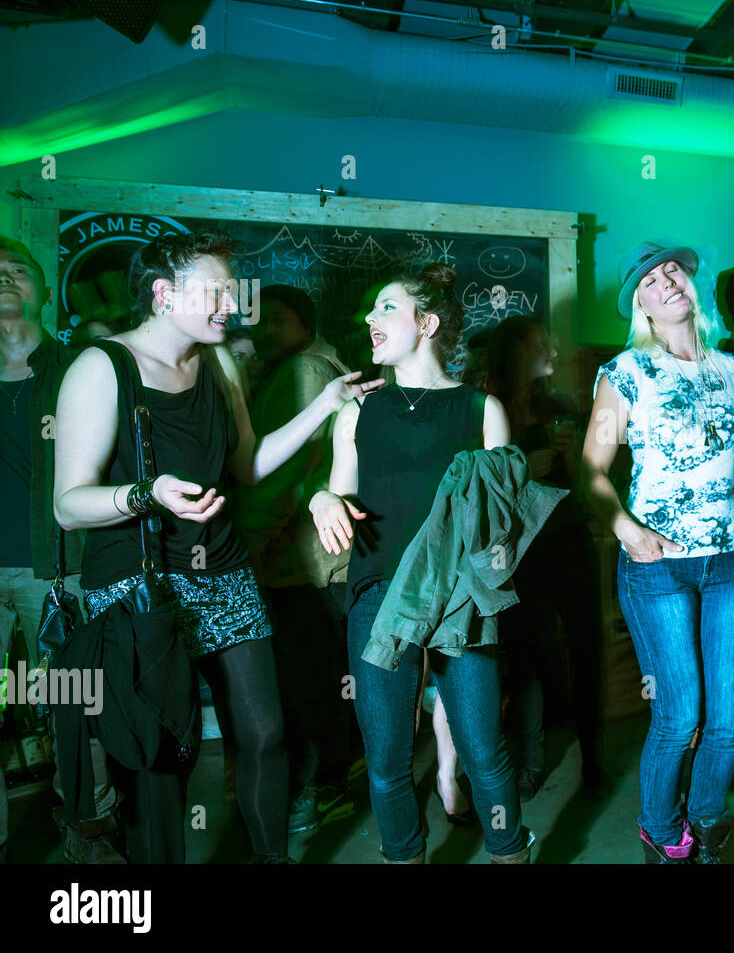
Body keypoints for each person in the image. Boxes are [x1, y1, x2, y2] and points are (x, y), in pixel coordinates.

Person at [52, 229, 379, 863]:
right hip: (137, 582)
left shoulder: (219, 362)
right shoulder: (101, 366)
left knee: (265, 731)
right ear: (162, 293)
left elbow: (250, 464)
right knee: (160, 752)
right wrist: (149, 493)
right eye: (216, 289)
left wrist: (328, 405)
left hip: (224, 570)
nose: (231, 301)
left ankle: (271, 859)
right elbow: (69, 506)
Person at [583, 240, 734, 863]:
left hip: (728, 562)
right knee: (681, 716)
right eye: (651, 279)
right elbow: (591, 469)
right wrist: (625, 529)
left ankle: (705, 823)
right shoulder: (626, 371)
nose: (667, 280)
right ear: (642, 307)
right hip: (658, 568)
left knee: (728, 719)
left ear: (689, 284)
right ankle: (659, 826)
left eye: (672, 269)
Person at [309, 263, 527, 864]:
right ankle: (404, 858)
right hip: (379, 593)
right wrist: (322, 498)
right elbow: (339, 491)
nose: (369, 320)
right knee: (384, 761)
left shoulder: (482, 409)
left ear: (426, 323)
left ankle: (510, 852)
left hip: (461, 597)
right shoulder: (356, 413)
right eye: (371, 310)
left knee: (484, 751)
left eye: (385, 308)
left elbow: (502, 524)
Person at [0, 237, 121, 863]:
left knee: (74, 709)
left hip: (61, 571)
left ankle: (89, 836)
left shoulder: (83, 366)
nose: (2, 279)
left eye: (16, 270)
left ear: (45, 291)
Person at [240, 284, 357, 834]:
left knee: (305, 684)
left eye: (276, 322)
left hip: (301, 561)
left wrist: (253, 540)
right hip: (316, 559)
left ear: (304, 325)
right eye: (256, 323)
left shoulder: (305, 369)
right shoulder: (304, 365)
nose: (263, 332)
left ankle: (319, 792)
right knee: (324, 680)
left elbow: (291, 470)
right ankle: (332, 782)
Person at [483, 315, 605, 796]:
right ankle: (531, 762)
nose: (553, 352)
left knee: (585, 647)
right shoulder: (489, 409)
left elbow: (582, 483)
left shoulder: (560, 405)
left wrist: (572, 453)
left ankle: (593, 761)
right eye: (541, 345)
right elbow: (474, 487)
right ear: (515, 352)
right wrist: (521, 473)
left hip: (568, 538)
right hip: (518, 548)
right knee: (526, 655)